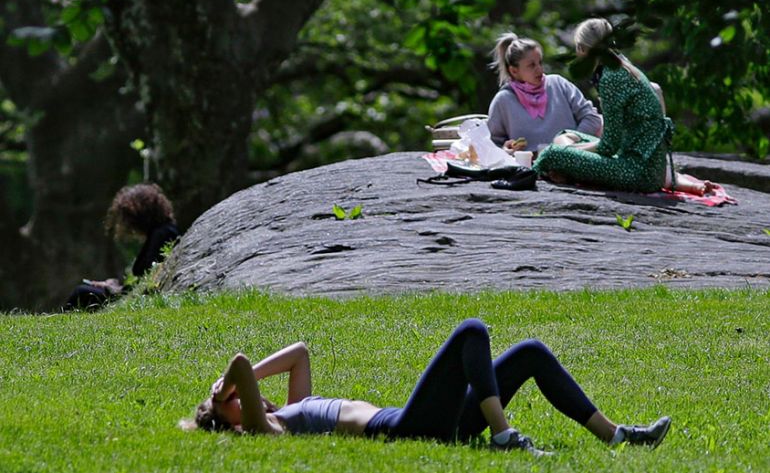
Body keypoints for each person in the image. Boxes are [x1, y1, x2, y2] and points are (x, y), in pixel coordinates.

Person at [185, 319, 671, 455]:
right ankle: (503, 435)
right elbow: (241, 364)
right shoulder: (265, 430)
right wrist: (224, 387)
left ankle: (615, 435)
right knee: (471, 332)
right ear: (232, 421)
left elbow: (300, 352)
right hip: (400, 428)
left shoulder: (291, 408)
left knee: (530, 352)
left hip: (430, 421)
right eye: (231, 402)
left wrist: (232, 388)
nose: (239, 397)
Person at [533, 18, 714, 195]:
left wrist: (568, 152)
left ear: (582, 49)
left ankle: (548, 172)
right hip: (648, 166)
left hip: (637, 172)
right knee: (565, 135)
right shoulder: (623, 64)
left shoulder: (610, 78)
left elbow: (608, 147)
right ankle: (564, 170)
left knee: (551, 154)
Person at [63, 183, 180, 310]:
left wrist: (114, 289)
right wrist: (113, 286)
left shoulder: (163, 234)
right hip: (136, 293)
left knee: (81, 292)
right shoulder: (161, 232)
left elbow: (149, 276)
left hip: (139, 297)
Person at [487, 33, 603, 154]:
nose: (540, 69)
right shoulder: (503, 100)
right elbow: (491, 145)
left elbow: (592, 117)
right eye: (532, 65)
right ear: (514, 71)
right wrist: (506, 150)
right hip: (528, 165)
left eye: (540, 62)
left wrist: (572, 145)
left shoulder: (559, 84)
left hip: (572, 160)